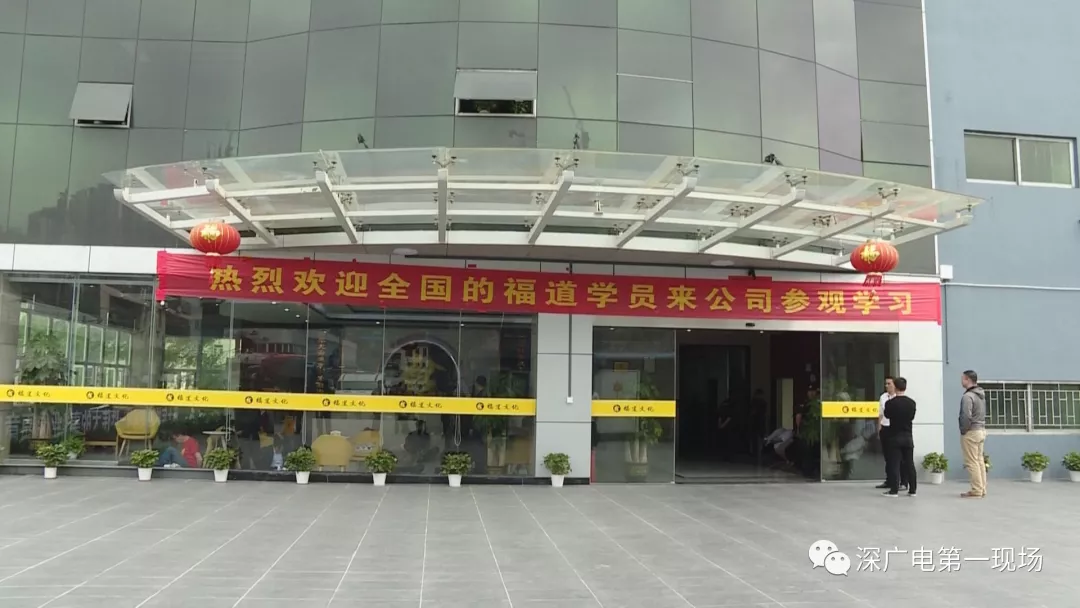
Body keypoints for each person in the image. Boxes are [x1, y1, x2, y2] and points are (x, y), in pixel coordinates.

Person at [882, 377, 917, 497]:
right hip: (908, 436)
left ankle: (894, 490)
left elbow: (887, 415)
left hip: (894, 436)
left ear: (895, 387)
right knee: (909, 463)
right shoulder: (911, 403)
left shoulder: (890, 403)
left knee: (894, 463)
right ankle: (912, 490)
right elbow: (912, 417)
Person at [875, 377, 908, 491]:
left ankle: (903, 482)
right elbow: (880, 413)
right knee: (888, 456)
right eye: (886, 384)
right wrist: (879, 427)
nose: (887, 386)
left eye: (889, 383)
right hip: (885, 427)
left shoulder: (899, 398)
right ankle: (890, 480)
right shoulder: (883, 397)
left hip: (895, 429)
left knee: (900, 457)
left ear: (895, 385)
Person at [959, 370, 987, 498]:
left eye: (963, 378)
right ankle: (982, 488)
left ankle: (976, 490)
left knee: (971, 462)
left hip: (971, 432)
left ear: (968, 379)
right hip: (981, 430)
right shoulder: (981, 395)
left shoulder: (968, 396)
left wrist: (964, 430)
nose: (961, 381)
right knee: (979, 460)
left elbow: (966, 415)